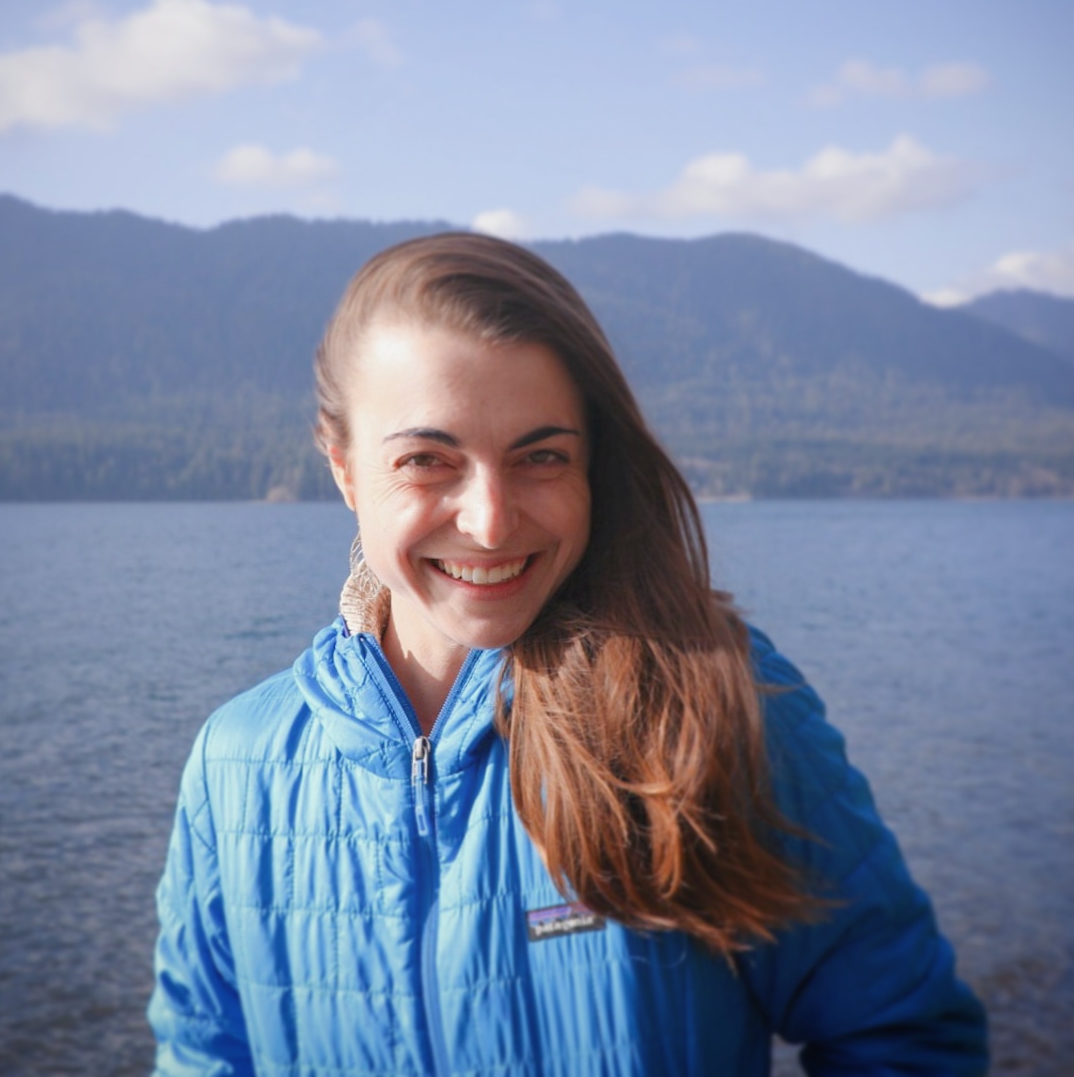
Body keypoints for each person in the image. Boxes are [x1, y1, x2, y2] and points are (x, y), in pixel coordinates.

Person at [148, 233, 988, 1075]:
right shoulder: (238, 761)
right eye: (427, 460)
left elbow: (906, 1038)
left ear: (592, 463)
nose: (490, 521)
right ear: (344, 470)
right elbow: (201, 1057)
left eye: (540, 456)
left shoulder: (710, 706)